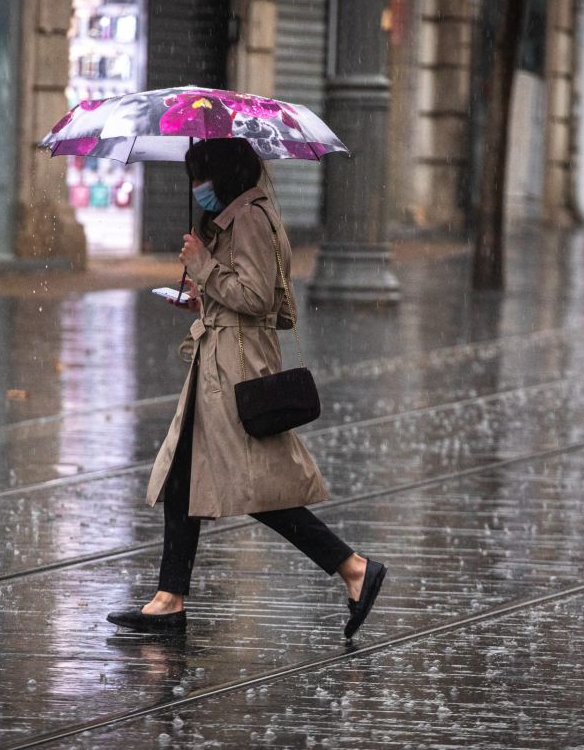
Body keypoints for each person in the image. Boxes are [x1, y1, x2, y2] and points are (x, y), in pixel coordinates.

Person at [107, 138, 386, 639]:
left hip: (234, 371)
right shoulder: (242, 218)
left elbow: (258, 298)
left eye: (201, 177)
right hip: (220, 365)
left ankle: (354, 568)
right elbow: (253, 298)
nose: (197, 188)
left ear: (225, 176)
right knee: (182, 479)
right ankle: (169, 599)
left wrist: (202, 266)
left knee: (259, 488)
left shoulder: (251, 220)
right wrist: (202, 299)